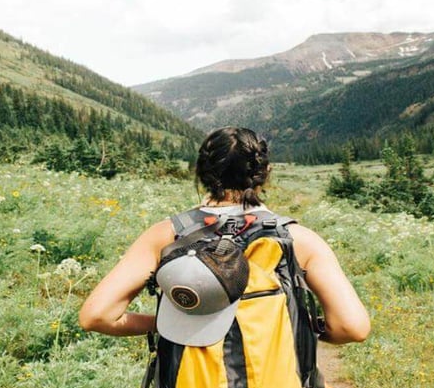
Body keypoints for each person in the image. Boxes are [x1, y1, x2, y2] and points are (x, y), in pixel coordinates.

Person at [79, 126, 370, 345]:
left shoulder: (166, 234)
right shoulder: (298, 238)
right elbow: (352, 327)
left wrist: (164, 323)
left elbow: (97, 316)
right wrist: (299, 327)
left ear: (201, 173)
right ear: (264, 173)